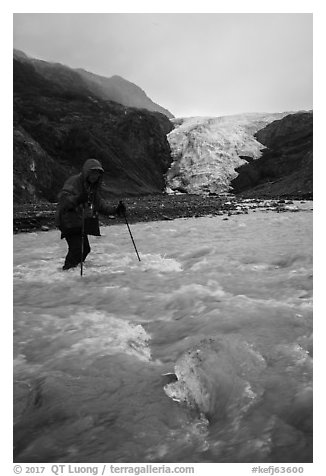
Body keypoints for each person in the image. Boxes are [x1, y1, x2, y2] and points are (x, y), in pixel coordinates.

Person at [55, 158, 126, 270]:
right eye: (92, 172)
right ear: (86, 172)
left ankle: (72, 270)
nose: (95, 176)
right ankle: (67, 271)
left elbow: (100, 205)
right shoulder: (74, 182)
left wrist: (116, 210)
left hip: (79, 221)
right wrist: (78, 198)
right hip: (67, 220)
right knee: (77, 249)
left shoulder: (92, 187)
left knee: (85, 249)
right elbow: (64, 202)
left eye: (97, 174)